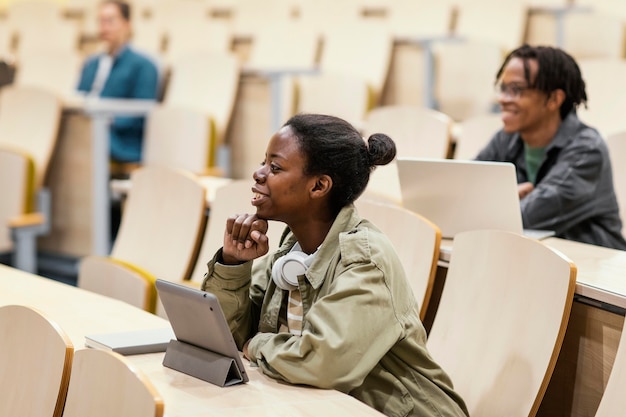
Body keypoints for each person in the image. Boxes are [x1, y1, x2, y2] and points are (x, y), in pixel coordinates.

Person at [201, 114, 469, 417]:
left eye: (274, 167)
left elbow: (321, 362)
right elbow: (225, 337)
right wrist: (233, 265)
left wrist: (257, 346)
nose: (258, 173)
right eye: (264, 163)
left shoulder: (365, 261)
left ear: (318, 186)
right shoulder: (291, 248)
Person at [476, 44, 626, 250]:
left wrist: (499, 200)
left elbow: (525, 217)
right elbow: (462, 193)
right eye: (503, 88)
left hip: (591, 272)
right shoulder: (506, 139)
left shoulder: (588, 150)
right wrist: (501, 200)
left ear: (554, 99)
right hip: (535, 263)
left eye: (516, 90)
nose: (502, 99)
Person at [77, 0, 159, 164]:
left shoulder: (144, 66)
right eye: (100, 21)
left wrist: (103, 121)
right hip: (86, 130)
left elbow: (142, 112)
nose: (104, 27)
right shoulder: (91, 64)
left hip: (120, 141)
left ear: (127, 24)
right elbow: (78, 98)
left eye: (110, 21)